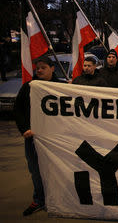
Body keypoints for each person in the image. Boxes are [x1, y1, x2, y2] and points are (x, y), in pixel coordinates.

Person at [14, 56, 61, 216]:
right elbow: (18, 110)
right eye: (37, 68)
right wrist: (24, 129)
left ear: (52, 68)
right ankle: (39, 199)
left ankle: (63, 199)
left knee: (59, 169)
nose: (39, 70)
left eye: (43, 67)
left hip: (58, 139)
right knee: (36, 170)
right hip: (34, 138)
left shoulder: (61, 87)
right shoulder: (28, 87)